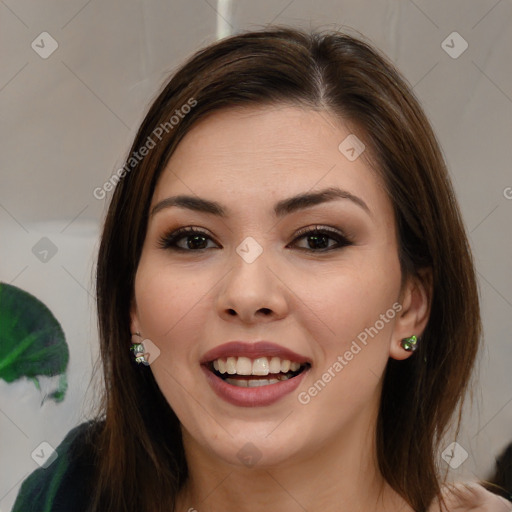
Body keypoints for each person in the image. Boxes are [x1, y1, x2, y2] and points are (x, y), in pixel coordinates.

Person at [11, 26, 512, 512]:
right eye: (193, 239)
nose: (247, 293)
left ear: (409, 305)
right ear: (132, 307)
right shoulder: (65, 496)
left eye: (318, 240)